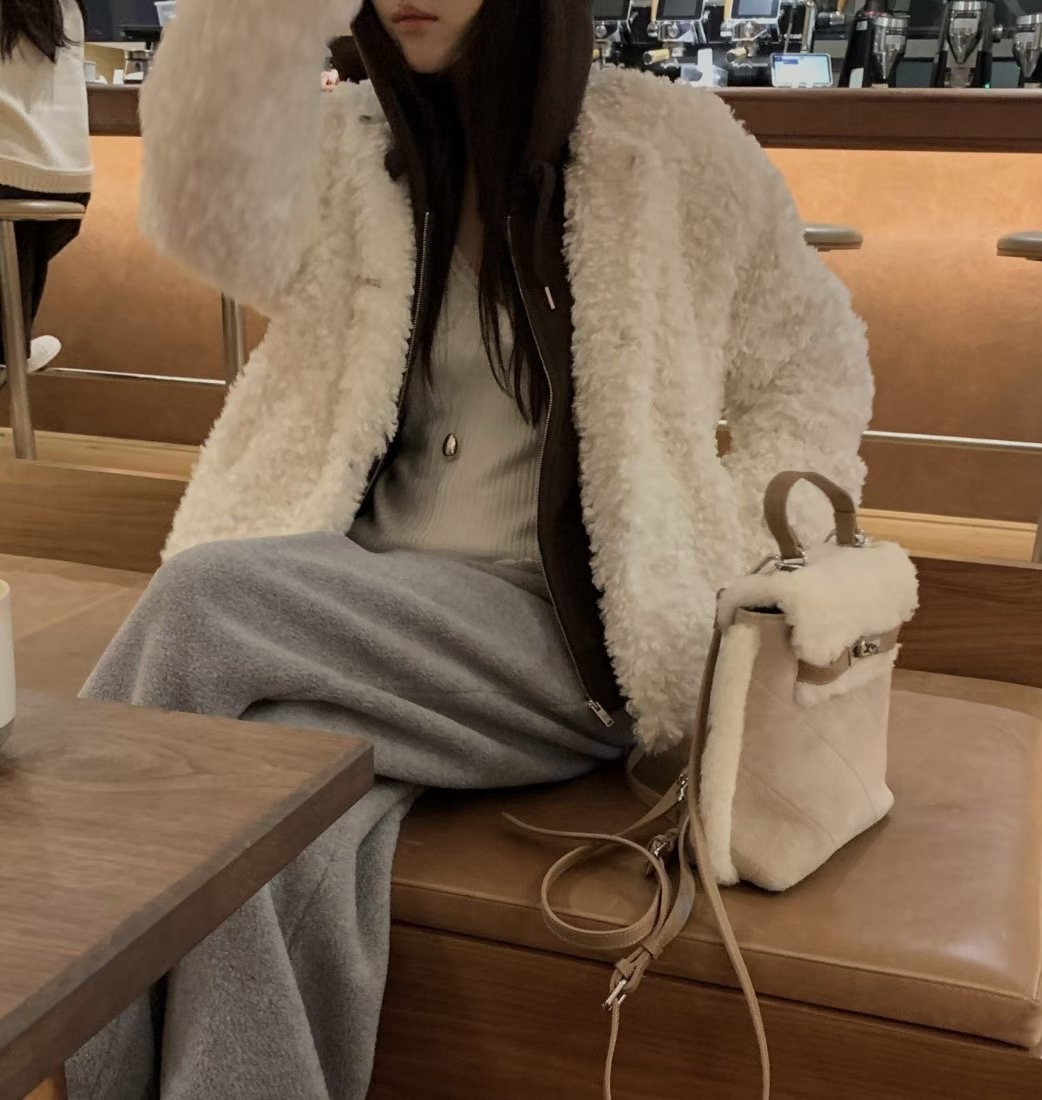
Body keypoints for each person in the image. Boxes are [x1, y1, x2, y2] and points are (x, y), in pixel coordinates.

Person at [67, 1, 872, 1097]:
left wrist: (710, 565)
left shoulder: (667, 148)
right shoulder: (355, 148)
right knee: (264, 822)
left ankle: (52, 1042)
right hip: (364, 606)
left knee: (203, 601)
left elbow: (818, 375)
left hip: (566, 636)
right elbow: (197, 202)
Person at [0, 0, 92, 375]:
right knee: (16, 248)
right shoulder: (62, 8)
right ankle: (10, 350)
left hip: (9, 177)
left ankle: (7, 354)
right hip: (64, 185)